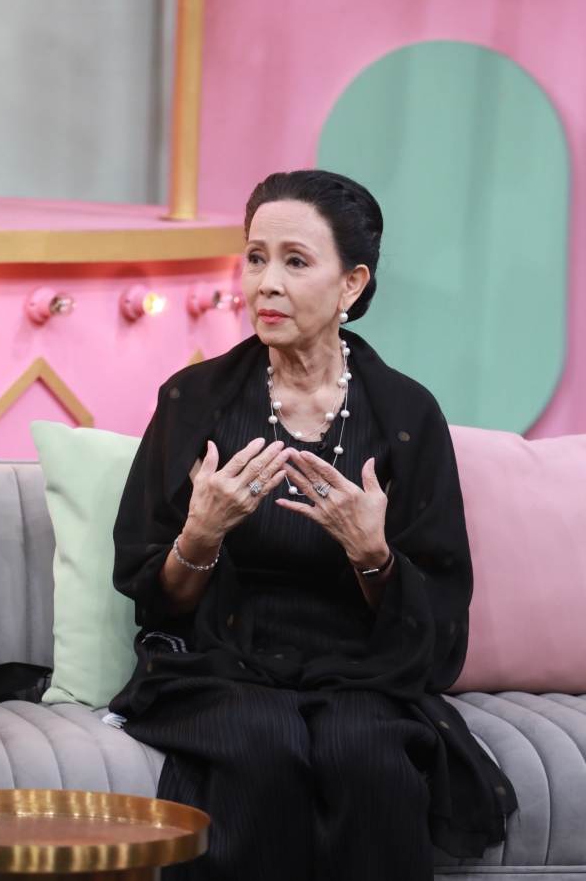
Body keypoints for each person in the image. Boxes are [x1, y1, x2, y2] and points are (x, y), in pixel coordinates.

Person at [109, 169, 517, 881]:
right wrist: (200, 535)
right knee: (260, 745)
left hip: (362, 668)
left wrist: (372, 555)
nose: (265, 283)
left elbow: (440, 618)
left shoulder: (408, 416)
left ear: (351, 285)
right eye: (255, 257)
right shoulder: (193, 399)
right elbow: (156, 600)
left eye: (295, 261)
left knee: (366, 754)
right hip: (222, 661)